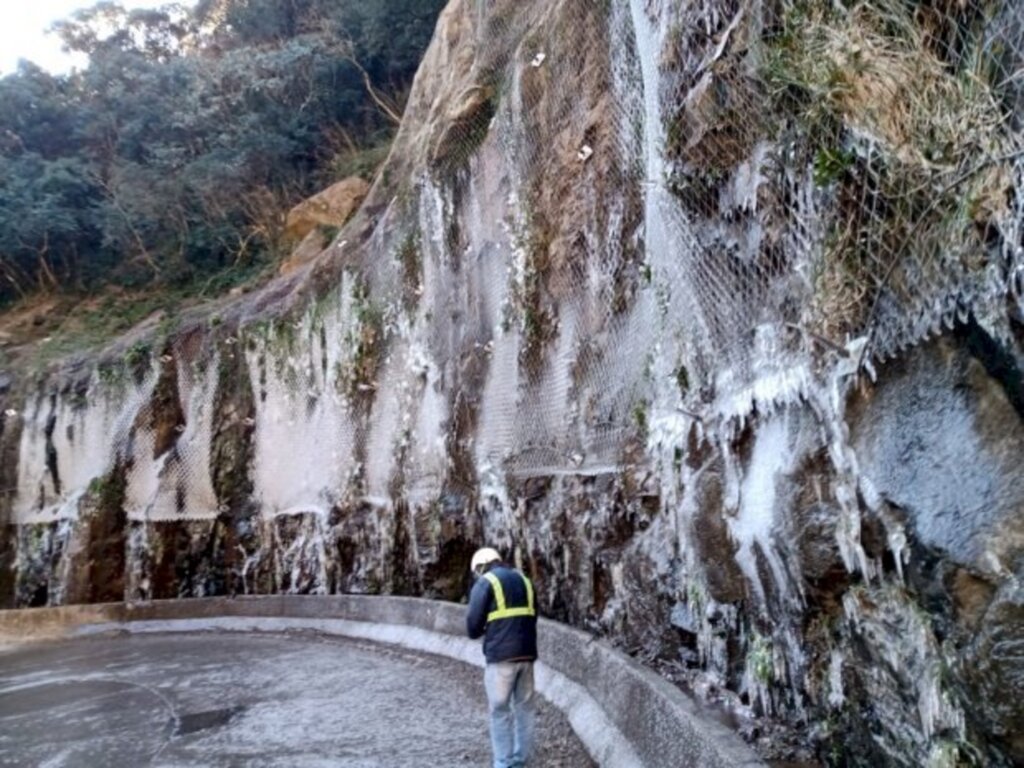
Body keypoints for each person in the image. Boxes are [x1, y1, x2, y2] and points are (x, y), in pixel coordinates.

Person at [466, 547, 538, 768]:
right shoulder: (524, 579)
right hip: (527, 655)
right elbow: (534, 615)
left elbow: (473, 626)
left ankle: (503, 762)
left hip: (501, 658)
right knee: (524, 708)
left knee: (500, 711)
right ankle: (522, 760)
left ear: (480, 566)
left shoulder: (486, 582)